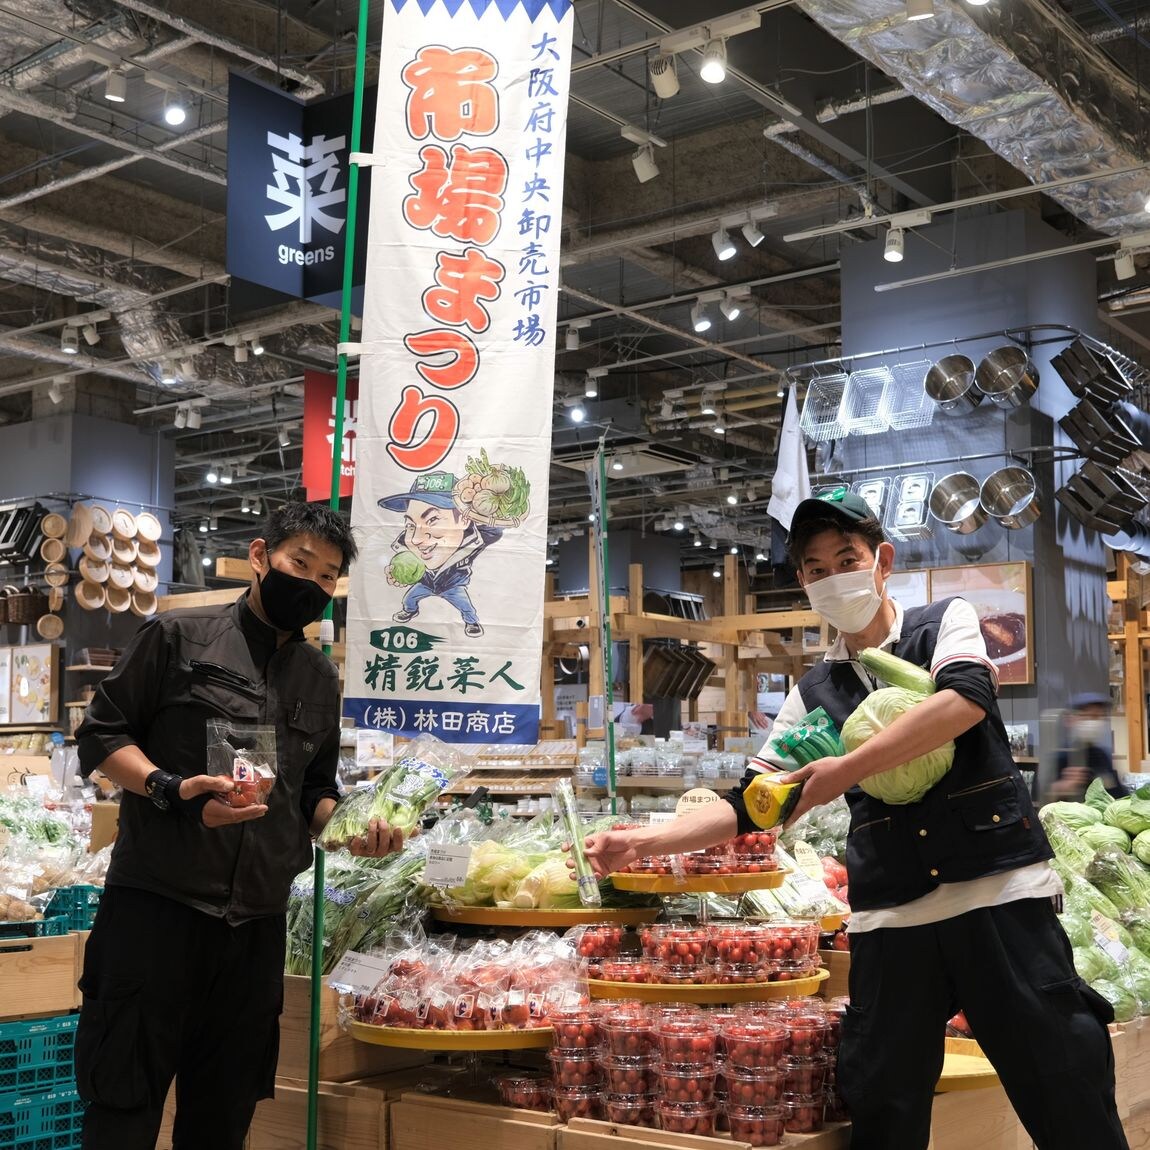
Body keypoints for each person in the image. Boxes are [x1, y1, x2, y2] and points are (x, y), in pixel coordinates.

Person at [580, 489, 1127, 1150]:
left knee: (1064, 1085)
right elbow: (754, 800)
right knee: (883, 1105)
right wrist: (645, 841)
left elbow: (967, 698)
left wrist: (847, 767)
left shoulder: (941, 621)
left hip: (997, 893)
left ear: (882, 560)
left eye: (846, 557)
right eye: (814, 567)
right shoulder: (812, 693)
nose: (831, 575)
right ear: (804, 584)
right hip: (891, 917)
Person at [73, 503, 403, 1150]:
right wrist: (170, 788)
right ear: (261, 556)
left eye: (329, 576)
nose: (311, 583)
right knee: (122, 1110)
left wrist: (354, 830)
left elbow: (316, 793)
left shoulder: (319, 676)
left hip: (254, 931)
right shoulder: (177, 637)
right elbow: (102, 734)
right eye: (299, 563)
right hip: (155, 913)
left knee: (223, 1122)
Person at [380, 471, 502, 638]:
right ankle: (410, 610)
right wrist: (395, 571)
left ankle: (472, 622)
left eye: (432, 520)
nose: (416, 540)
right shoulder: (408, 544)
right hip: (426, 583)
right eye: (410, 525)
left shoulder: (474, 540)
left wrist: (480, 511)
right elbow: (396, 552)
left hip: (452, 585)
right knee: (409, 598)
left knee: (465, 605)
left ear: (463, 520)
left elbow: (496, 530)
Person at [1051, 692, 1128, 800]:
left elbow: (1119, 795)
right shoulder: (1060, 756)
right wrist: (1064, 786)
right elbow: (1038, 798)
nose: (1095, 722)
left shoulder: (1101, 756)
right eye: (1089, 716)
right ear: (1070, 719)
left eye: (1099, 717)